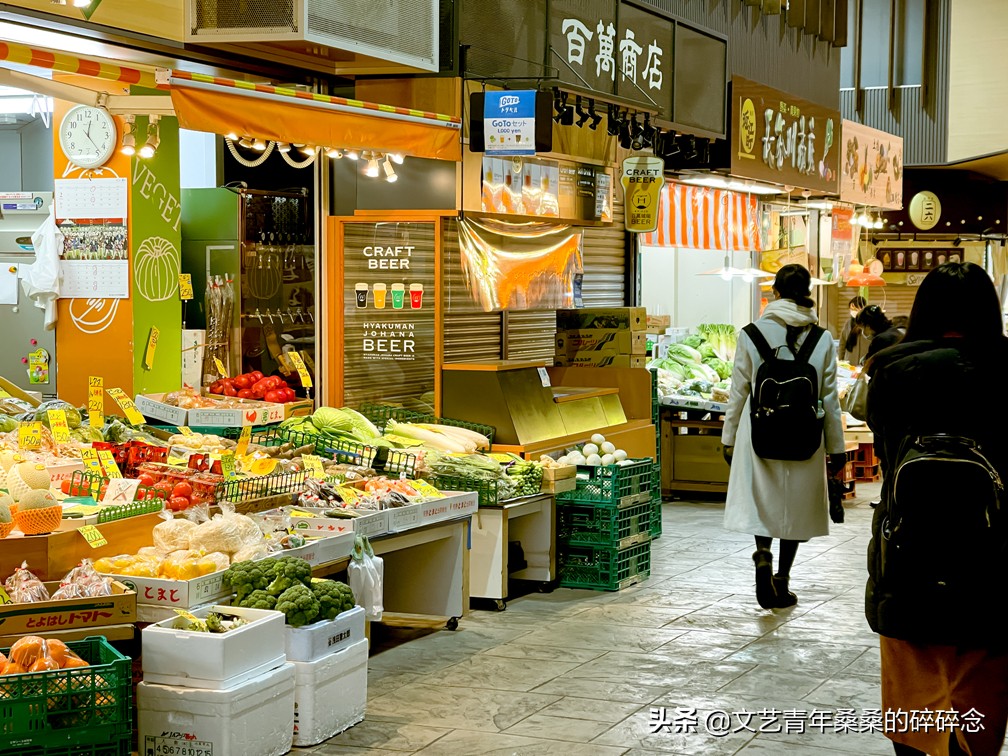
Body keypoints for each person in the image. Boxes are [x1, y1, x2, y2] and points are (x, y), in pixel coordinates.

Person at [866, 262, 1008, 756]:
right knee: (977, 717)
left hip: (909, 562)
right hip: (994, 565)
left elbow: (887, 459)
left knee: (914, 709)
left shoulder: (890, 370)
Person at [722, 264, 846, 609]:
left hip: (757, 429)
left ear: (774, 293)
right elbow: (830, 399)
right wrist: (837, 448)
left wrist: (728, 437)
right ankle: (783, 579)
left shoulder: (751, 333)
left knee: (763, 500)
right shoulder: (822, 339)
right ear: (807, 292)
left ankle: (763, 554)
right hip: (806, 432)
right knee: (795, 507)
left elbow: (738, 391)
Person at [839, 295, 870, 364]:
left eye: (855, 309)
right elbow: (842, 343)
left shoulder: (869, 323)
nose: (852, 311)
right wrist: (840, 360)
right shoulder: (848, 323)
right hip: (849, 360)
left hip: (864, 361)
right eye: (851, 309)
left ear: (862, 308)